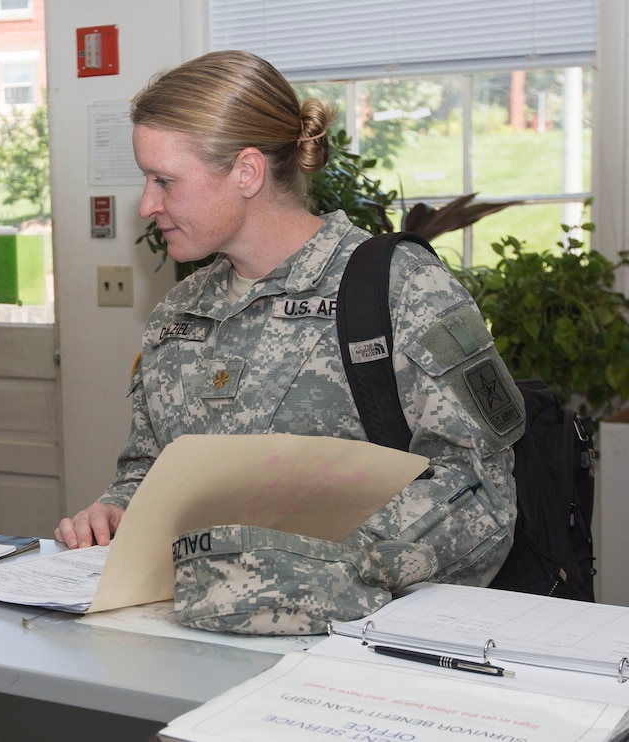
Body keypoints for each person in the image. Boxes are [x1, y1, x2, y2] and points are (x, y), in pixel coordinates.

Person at [54, 51, 525, 631]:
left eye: (164, 181)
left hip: (364, 649)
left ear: (247, 172)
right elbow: (149, 470)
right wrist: (115, 512)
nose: (148, 204)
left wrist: (336, 566)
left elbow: (478, 492)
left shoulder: (395, 287)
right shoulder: (181, 310)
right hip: (188, 635)